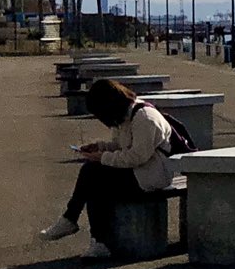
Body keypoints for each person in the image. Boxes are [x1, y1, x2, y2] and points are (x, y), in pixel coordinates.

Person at [39, 78, 175, 258]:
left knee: (92, 173)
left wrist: (102, 157)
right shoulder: (125, 115)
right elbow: (120, 145)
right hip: (140, 171)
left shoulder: (145, 118)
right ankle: (89, 235)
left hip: (154, 174)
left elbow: (137, 156)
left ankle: (76, 223)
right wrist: (100, 147)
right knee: (94, 179)